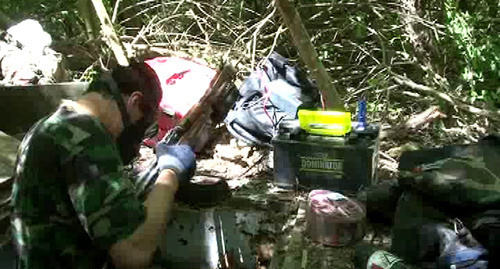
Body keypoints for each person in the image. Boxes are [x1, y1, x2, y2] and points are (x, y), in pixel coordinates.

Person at [10, 61, 196, 269]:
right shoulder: (85, 134)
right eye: (143, 124)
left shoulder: (50, 125)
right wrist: (171, 172)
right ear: (135, 101)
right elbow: (134, 254)